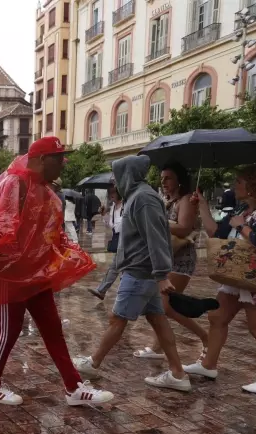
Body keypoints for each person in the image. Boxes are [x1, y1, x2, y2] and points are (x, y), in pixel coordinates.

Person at [0, 136, 113, 407]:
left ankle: (73, 387)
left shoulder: (46, 192)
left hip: (34, 275)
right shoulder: (14, 184)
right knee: (8, 329)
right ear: (40, 160)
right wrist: (5, 261)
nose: (63, 163)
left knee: (52, 327)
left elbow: (48, 234)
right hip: (9, 274)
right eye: (57, 158)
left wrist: (65, 255)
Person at [74, 155, 191, 392]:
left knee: (118, 319)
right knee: (158, 321)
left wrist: (160, 274)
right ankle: (178, 373)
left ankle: (93, 364)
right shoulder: (138, 197)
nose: (114, 182)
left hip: (141, 272)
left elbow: (156, 237)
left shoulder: (144, 199)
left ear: (127, 175)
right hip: (142, 271)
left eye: (117, 176)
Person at [184, 166, 256, 394]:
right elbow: (216, 233)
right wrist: (202, 205)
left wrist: (241, 225)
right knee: (217, 317)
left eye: (239, 181)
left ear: (254, 185)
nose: (235, 185)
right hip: (236, 275)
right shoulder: (244, 208)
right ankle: (208, 365)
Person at [133, 162, 208, 359]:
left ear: (179, 180)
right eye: (162, 178)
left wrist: (159, 221)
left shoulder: (186, 200)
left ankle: (204, 336)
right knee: (159, 306)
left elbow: (184, 228)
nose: (163, 181)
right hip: (165, 257)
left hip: (181, 259)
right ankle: (158, 348)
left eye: (168, 178)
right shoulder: (166, 201)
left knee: (165, 306)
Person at [88, 185, 123, 300]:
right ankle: (119, 291)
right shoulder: (113, 207)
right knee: (121, 267)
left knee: (116, 266)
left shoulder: (126, 205)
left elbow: (123, 224)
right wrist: (104, 215)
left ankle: (103, 290)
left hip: (127, 239)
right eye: (110, 193)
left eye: (113, 193)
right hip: (118, 239)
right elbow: (111, 225)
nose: (111, 196)